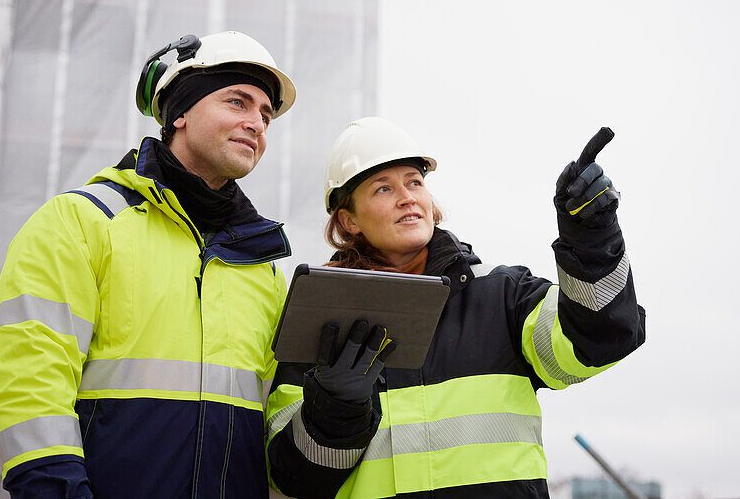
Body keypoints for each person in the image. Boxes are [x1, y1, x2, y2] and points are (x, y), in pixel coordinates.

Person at [0, 31, 299, 498]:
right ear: (181, 114)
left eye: (265, 114)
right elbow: (30, 379)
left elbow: (278, 418)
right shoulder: (81, 221)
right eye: (238, 102)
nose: (257, 122)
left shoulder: (266, 267)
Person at [265, 117, 646, 499]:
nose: (407, 197)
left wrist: (593, 239)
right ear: (349, 221)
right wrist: (333, 410)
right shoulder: (315, 319)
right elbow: (293, 481)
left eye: (415, 182)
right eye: (383, 188)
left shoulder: (503, 298)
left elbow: (598, 340)